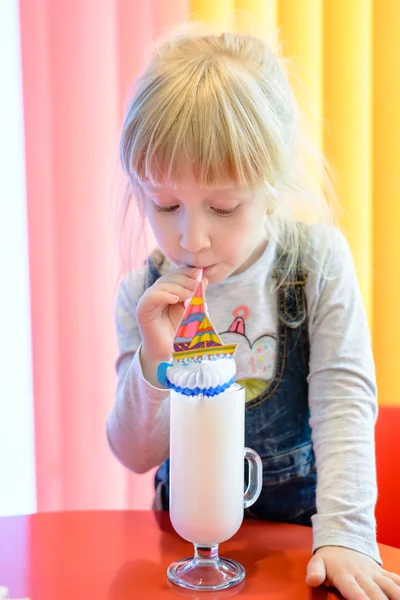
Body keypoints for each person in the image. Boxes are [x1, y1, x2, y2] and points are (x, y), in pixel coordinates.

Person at [107, 27, 400, 600]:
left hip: (300, 539)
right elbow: (134, 453)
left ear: (271, 188)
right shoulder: (141, 294)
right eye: (165, 204)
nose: (191, 237)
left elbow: (343, 401)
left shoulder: (314, 264)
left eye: (222, 206)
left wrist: (346, 534)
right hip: (184, 553)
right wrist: (155, 358)